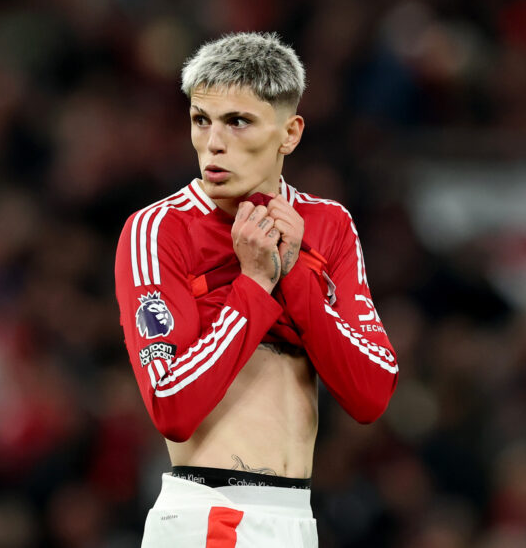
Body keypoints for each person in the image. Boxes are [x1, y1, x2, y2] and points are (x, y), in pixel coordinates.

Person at [114, 32, 398, 548]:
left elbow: (371, 395)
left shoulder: (327, 224)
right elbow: (170, 406)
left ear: (289, 133)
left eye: (237, 121)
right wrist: (254, 283)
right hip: (213, 515)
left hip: (297, 518)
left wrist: (296, 273)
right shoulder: (158, 230)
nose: (214, 142)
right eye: (202, 120)